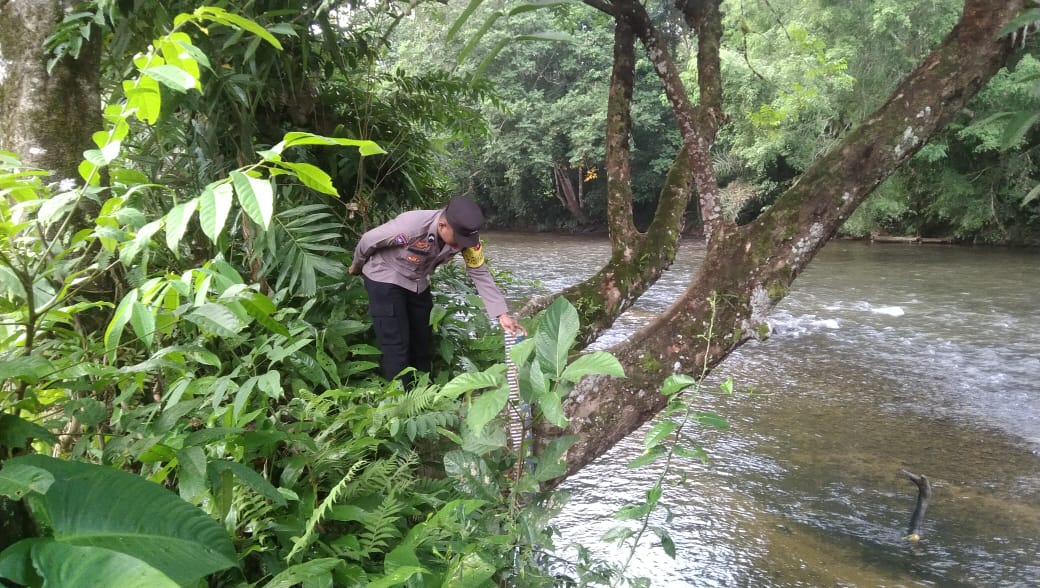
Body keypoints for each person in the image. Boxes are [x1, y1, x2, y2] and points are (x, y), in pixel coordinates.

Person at [348, 195, 525, 382]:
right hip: (385, 275)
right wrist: (357, 266)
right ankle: (400, 401)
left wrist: (502, 314)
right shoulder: (411, 227)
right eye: (457, 241)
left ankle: (424, 392)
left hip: (417, 281)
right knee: (397, 344)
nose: (460, 247)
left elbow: (479, 272)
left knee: (423, 342)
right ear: (442, 226)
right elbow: (368, 241)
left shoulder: (467, 237)